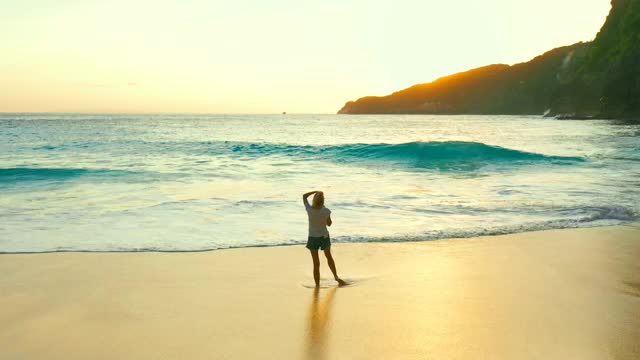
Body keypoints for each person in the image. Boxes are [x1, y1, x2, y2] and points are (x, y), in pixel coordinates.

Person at [302, 190, 347, 287]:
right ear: (323, 201)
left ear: (314, 200)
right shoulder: (326, 211)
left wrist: (315, 191)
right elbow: (329, 224)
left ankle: (317, 285)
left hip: (313, 238)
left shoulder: (309, 210)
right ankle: (336, 278)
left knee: (316, 263)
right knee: (329, 257)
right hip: (324, 237)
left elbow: (304, 196)